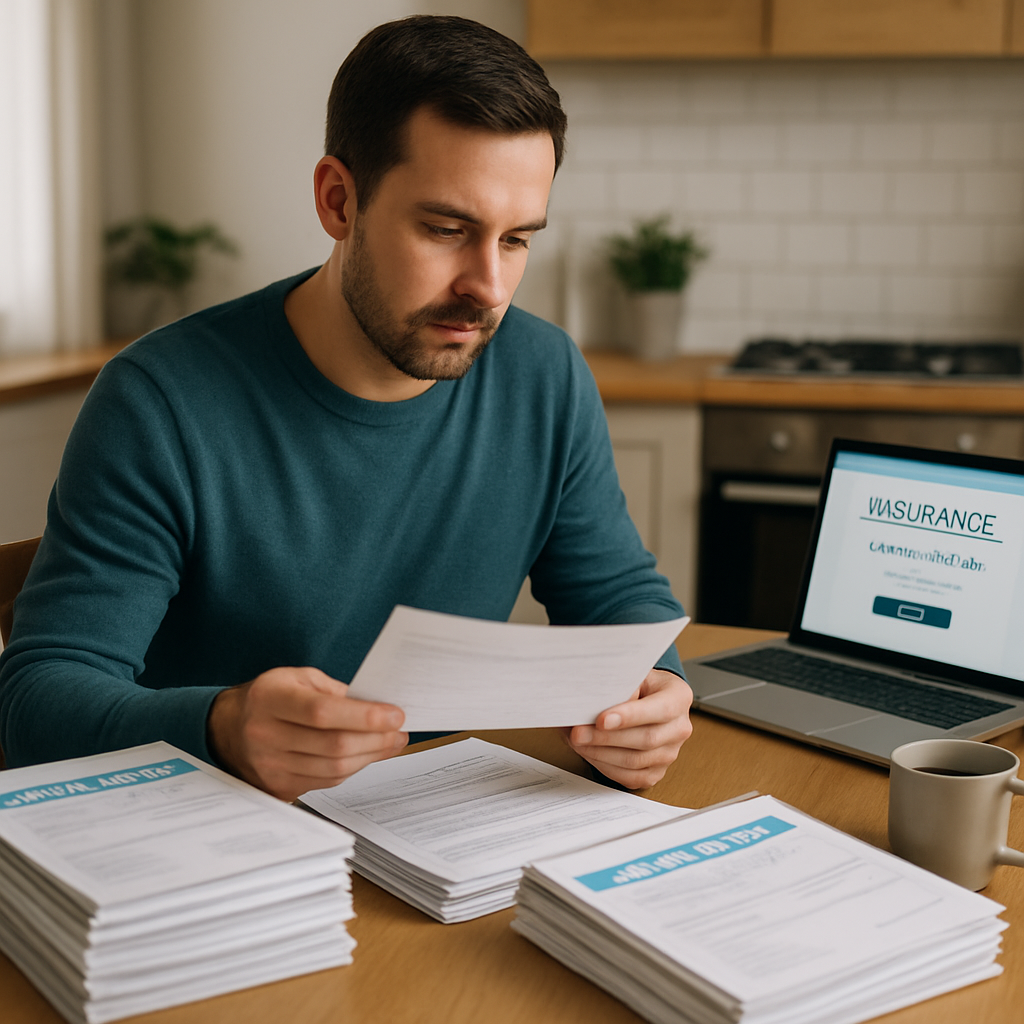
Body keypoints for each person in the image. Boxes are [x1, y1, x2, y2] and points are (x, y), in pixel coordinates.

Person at [0, 15, 692, 801]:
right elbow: (33, 703)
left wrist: (655, 691)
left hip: (428, 834)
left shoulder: (544, 373)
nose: (489, 288)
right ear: (338, 200)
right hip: (202, 839)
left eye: (516, 240)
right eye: (446, 229)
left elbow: (616, 596)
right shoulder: (161, 400)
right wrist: (223, 725)